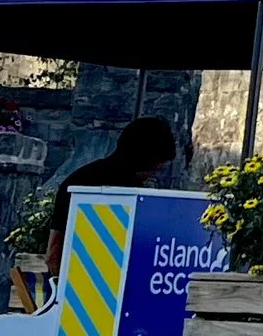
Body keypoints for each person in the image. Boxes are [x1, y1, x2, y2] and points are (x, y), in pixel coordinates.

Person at [40, 114, 179, 279]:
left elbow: (53, 253)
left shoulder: (79, 180)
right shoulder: (89, 186)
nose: (154, 173)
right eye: (156, 167)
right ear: (144, 159)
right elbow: (55, 252)